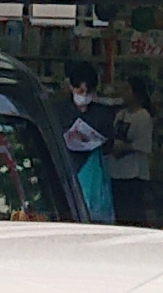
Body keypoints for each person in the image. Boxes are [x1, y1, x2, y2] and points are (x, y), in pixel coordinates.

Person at [58, 72, 117, 224]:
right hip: (68, 167)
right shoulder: (59, 111)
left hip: (94, 169)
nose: (84, 95)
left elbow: (110, 144)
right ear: (72, 87)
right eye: (80, 91)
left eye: (88, 91)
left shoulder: (102, 114)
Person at [109, 81, 156, 225]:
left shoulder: (143, 116)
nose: (124, 93)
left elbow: (144, 144)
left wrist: (124, 147)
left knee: (133, 210)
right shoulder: (121, 114)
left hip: (134, 171)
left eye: (127, 90)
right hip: (117, 170)